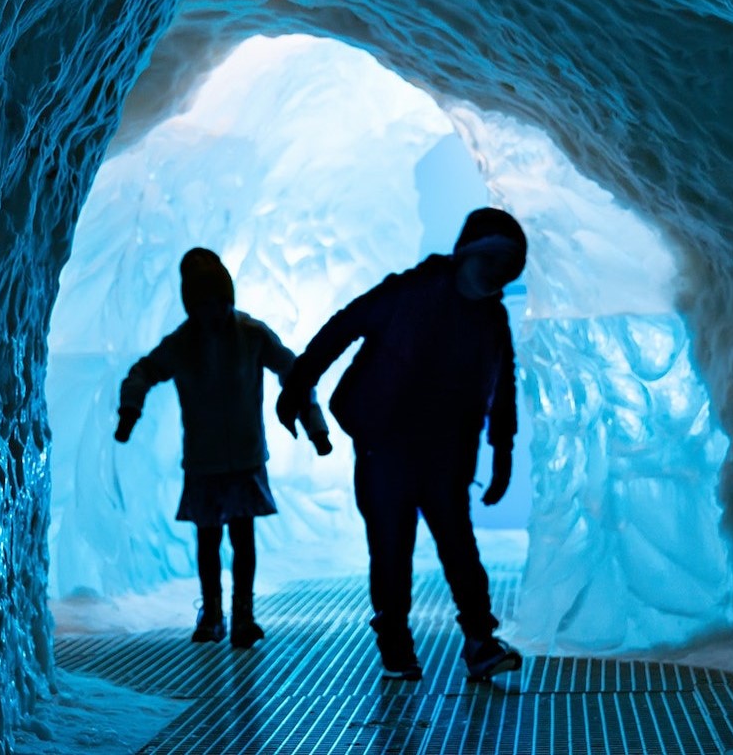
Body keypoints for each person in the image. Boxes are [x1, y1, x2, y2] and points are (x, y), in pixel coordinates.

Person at [276, 207, 527, 681]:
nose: (497, 272)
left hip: (445, 453)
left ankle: (479, 641)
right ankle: (394, 641)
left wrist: (503, 452)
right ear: (466, 255)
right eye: (491, 259)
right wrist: (298, 384)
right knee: (391, 546)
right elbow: (345, 325)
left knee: (459, 547)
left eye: (508, 264)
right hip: (385, 443)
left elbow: (503, 386)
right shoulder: (411, 290)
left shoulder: (492, 318)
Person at [115, 247, 331, 648]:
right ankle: (215, 614)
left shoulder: (251, 335)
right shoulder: (185, 342)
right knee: (211, 539)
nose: (210, 310)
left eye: (215, 301)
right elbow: (144, 372)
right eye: (201, 303)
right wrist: (130, 409)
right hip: (207, 459)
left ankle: (241, 615)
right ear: (191, 304)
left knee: (240, 538)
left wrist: (314, 425)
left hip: (241, 457)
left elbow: (293, 373)